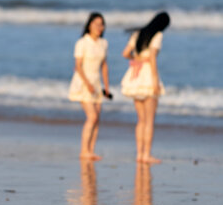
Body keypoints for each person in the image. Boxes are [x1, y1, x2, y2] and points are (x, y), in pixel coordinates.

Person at [121, 12, 170, 164]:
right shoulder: (158, 35)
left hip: (135, 75)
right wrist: (155, 81)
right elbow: (153, 58)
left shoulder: (137, 33)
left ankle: (139, 154)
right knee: (149, 120)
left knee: (140, 119)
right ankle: (146, 154)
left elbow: (125, 53)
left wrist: (137, 58)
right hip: (148, 75)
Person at [68, 12, 111, 161]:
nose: (100, 27)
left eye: (102, 24)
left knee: (97, 118)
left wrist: (107, 87)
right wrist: (87, 84)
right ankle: (83, 150)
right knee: (91, 117)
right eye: (96, 24)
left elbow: (104, 66)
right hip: (83, 81)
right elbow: (78, 66)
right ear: (89, 25)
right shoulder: (82, 42)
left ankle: (91, 150)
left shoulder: (103, 43)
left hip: (97, 82)